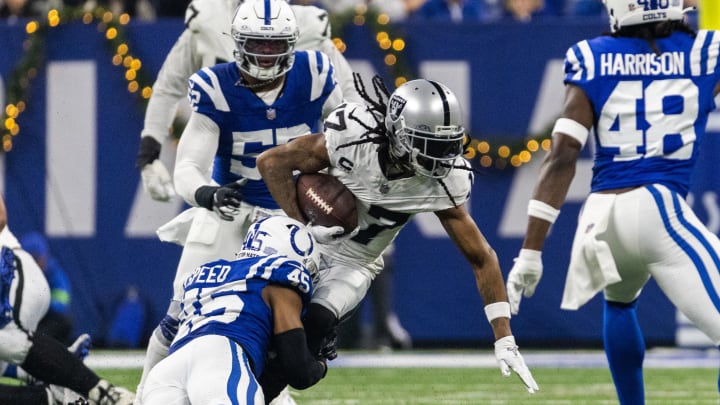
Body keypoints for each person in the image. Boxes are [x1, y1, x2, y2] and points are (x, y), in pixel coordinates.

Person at [256, 77, 539, 400]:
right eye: (430, 144)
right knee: (260, 320)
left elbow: (482, 257)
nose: (442, 158)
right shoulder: (353, 140)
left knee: (312, 329)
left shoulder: (444, 182)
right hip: (305, 243)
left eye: (447, 145)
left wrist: (503, 338)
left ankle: (257, 395)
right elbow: (272, 162)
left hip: (355, 263)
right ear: (398, 134)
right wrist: (301, 224)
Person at [505, 1, 720, 403]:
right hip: (657, 207)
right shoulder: (705, 51)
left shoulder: (592, 56)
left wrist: (530, 254)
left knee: (620, 303)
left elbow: (563, 154)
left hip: (601, 218)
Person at [134, 0, 343, 402]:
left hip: (291, 217)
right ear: (237, 43)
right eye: (256, 45)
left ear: (292, 44)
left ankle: (269, 392)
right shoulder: (217, 85)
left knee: (286, 316)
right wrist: (207, 193)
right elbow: (189, 165)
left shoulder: (316, 74)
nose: (265, 55)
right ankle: (145, 391)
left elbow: (348, 133)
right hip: (232, 208)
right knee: (182, 311)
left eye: (274, 45)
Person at [135, 0, 360, 203]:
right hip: (226, 171)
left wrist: (361, 186)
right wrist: (149, 153)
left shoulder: (306, 26)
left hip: (294, 176)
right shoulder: (208, 19)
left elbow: (350, 99)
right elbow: (168, 86)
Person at [141, 216, 327, 404]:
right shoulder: (280, 277)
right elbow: (299, 371)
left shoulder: (206, 273)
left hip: (165, 373)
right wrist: (320, 363)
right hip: (219, 359)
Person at [0, 195, 135, 404]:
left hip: (9, 272)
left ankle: (103, 392)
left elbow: (0, 217)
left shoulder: (52, 271)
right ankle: (53, 390)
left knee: (7, 338)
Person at [19, 232, 74, 345]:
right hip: (20, 320)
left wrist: (38, 304)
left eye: (39, 258)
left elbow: (61, 303)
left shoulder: (54, 273)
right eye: (32, 258)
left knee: (64, 322)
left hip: (43, 320)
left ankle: (36, 345)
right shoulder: (11, 272)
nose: (37, 263)